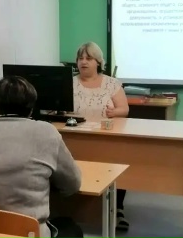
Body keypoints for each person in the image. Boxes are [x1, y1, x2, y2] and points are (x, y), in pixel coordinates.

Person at [0, 76, 82, 238]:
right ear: (31, 108)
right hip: (25, 231)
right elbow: (72, 185)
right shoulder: (47, 132)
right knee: (72, 229)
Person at [73, 41, 130, 231]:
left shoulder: (111, 84)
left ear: (98, 62)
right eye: (80, 58)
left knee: (117, 160)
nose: (83, 62)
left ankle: (117, 208)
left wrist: (114, 112)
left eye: (88, 58)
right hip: (76, 136)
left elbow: (124, 109)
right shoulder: (69, 83)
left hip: (106, 137)